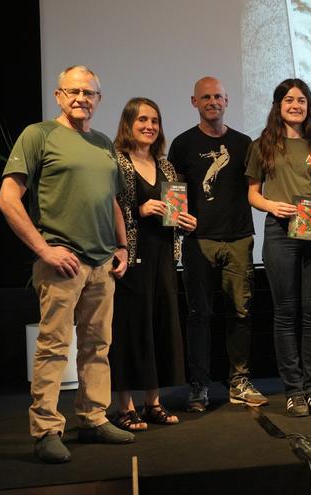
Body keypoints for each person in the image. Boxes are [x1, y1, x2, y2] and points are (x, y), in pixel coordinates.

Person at [0, 65, 133, 463]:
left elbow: (111, 200)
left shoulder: (103, 143)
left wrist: (122, 247)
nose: (81, 99)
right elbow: (7, 199)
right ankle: (46, 430)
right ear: (58, 95)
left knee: (98, 346)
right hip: (62, 262)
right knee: (54, 347)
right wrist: (44, 250)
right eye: (73, 91)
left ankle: (93, 418)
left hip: (102, 264)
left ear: (98, 99)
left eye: (88, 93)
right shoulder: (38, 135)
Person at [168, 77, 267, 412]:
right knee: (199, 315)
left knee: (241, 312)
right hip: (199, 242)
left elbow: (255, 189)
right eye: (206, 97)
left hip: (238, 239)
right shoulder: (182, 144)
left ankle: (239, 381)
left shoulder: (244, 143)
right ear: (194, 102)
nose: (213, 102)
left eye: (218, 97)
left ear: (227, 101)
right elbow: (174, 191)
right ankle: (199, 386)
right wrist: (177, 220)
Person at [246, 79, 311, 417]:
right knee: (285, 313)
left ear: (308, 106)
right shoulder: (262, 145)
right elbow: (252, 194)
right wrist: (271, 205)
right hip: (280, 231)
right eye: (288, 100)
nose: (295, 105)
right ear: (278, 105)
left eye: (301, 100)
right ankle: (294, 391)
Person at [109, 97, 196, 430]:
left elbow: (174, 215)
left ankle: (153, 403)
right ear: (128, 123)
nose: (149, 126)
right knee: (130, 330)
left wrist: (186, 223)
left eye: (154, 121)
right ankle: (124, 407)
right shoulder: (116, 163)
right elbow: (108, 210)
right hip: (130, 258)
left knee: (160, 326)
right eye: (142, 120)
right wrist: (139, 211)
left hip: (163, 257)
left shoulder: (167, 166)